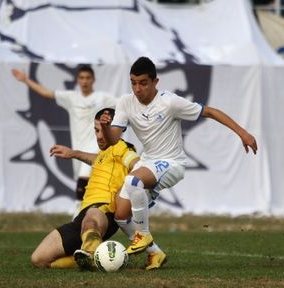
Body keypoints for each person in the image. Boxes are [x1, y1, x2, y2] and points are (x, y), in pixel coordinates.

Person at [100, 56, 258, 255]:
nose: (137, 89)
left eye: (143, 83)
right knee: (121, 215)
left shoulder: (170, 102)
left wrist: (242, 133)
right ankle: (155, 254)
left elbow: (210, 112)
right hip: (148, 162)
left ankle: (143, 234)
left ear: (155, 82)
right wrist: (106, 127)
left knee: (133, 181)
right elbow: (113, 140)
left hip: (172, 163)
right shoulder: (125, 102)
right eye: (133, 83)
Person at [30, 108, 166, 271]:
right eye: (96, 130)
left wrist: (131, 184)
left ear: (118, 129)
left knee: (91, 218)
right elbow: (96, 159)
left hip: (103, 211)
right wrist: (74, 153)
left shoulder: (122, 148)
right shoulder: (104, 154)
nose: (100, 135)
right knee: (39, 259)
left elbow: (136, 165)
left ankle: (92, 252)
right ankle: (98, 259)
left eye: (105, 129)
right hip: (82, 218)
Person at [11, 65, 117, 203]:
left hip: (96, 146)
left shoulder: (103, 98)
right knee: (89, 186)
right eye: (82, 78)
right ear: (77, 80)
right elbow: (46, 93)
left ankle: (79, 216)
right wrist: (25, 80)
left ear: (93, 80)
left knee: (83, 178)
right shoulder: (71, 97)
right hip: (78, 148)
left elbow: (124, 105)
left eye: (88, 78)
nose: (85, 81)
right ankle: (87, 215)